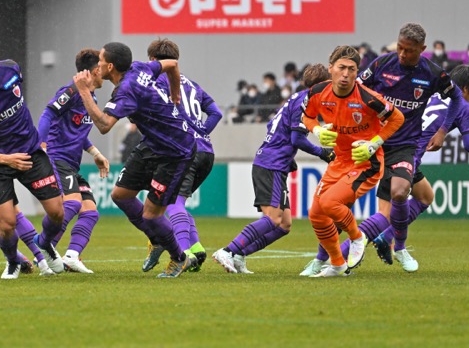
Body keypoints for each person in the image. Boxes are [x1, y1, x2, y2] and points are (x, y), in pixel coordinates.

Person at [72, 41, 195, 278]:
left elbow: (104, 125)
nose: (97, 65)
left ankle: (180, 258)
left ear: (109, 66)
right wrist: (175, 92)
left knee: (151, 214)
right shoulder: (141, 67)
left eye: (100, 61)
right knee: (120, 195)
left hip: (175, 151)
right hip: (152, 144)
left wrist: (84, 91)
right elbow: (172, 64)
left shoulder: (126, 90)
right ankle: (156, 238)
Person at [356, 23, 466, 273]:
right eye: (400, 48)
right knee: (394, 205)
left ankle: (388, 245)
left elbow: (457, 97)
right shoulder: (382, 64)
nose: (403, 54)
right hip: (375, 145)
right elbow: (358, 90)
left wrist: (442, 131)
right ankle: (347, 252)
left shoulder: (432, 73)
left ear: (423, 49)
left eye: (410, 51)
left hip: (406, 146)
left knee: (415, 196)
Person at [213, 63, 336, 275]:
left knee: (284, 224)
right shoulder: (305, 102)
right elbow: (297, 138)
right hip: (270, 164)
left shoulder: (296, 99)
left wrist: (288, 156)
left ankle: (241, 255)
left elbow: (274, 128)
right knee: (273, 219)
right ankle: (228, 250)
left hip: (275, 163)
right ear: (321, 85)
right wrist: (322, 152)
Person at [0, 40, 66, 279]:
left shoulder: (12, 69)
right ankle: (12, 261)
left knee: (58, 212)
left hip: (30, 153)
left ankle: (45, 244)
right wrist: (7, 160)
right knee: (6, 224)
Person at [302, 46, 404, 278]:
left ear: (357, 72)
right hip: (339, 161)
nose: (346, 74)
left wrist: (374, 143)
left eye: (352, 69)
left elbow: (397, 117)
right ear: (331, 69)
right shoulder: (318, 92)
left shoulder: (368, 98)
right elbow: (306, 116)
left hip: (366, 163)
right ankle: (338, 265)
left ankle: (357, 237)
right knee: (316, 213)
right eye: (341, 68)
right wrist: (316, 130)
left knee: (329, 202)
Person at [370, 65, 469, 257]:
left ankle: (385, 238)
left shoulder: (432, 94)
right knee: (385, 216)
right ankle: (346, 250)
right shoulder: (462, 106)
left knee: (425, 196)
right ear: (465, 89)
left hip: (393, 147)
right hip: (407, 157)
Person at [148, 38, 223, 271]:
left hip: (184, 150)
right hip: (206, 152)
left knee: (171, 203)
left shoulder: (157, 79)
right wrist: (202, 131)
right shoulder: (192, 84)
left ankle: (184, 252)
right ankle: (197, 247)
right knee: (178, 201)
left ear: (152, 60)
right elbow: (215, 112)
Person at [37, 48, 111, 273]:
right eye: (102, 67)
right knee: (72, 203)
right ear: (95, 70)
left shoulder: (91, 97)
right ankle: (42, 248)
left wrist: (95, 153)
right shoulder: (70, 91)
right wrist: (40, 146)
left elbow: (78, 132)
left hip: (71, 163)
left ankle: (71, 256)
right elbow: (48, 114)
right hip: (56, 158)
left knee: (90, 211)